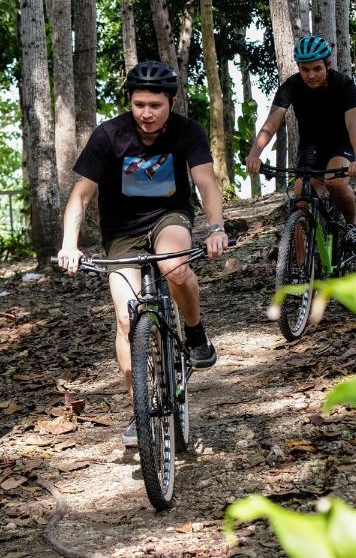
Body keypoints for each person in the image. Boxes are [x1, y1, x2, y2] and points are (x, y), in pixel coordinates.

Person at [57, 60, 229, 447]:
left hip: (168, 217)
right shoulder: (109, 135)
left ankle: (195, 332)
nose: (146, 113)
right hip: (121, 232)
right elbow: (80, 196)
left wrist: (216, 227)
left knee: (175, 268)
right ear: (129, 103)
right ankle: (141, 410)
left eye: (155, 104)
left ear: (171, 101)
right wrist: (69, 243)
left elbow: (205, 182)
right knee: (124, 316)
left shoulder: (188, 131)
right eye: (138, 105)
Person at [245, 34, 356, 255]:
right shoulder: (291, 86)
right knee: (299, 203)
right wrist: (254, 154)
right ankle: (302, 275)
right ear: (298, 68)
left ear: (327, 65)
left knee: (336, 182)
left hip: (340, 145)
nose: (311, 75)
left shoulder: (344, 85)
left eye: (316, 69)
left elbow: (354, 126)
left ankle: (352, 225)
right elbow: (271, 124)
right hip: (310, 149)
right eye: (305, 70)